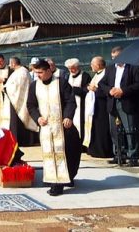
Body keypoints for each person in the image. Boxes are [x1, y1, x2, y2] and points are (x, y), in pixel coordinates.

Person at [26, 59, 81, 197]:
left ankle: (62, 181)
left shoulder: (61, 83)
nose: (38, 75)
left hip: (62, 126)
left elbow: (70, 101)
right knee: (50, 154)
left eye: (40, 72)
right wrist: (38, 118)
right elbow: (31, 105)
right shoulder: (34, 85)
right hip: (46, 127)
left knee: (66, 153)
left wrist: (68, 116)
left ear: (48, 70)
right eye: (36, 72)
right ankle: (54, 180)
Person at [97, 46, 139, 166]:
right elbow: (102, 83)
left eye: (116, 57)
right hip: (113, 102)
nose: (114, 59)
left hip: (127, 102)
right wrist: (110, 90)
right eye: (112, 57)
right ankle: (119, 154)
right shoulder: (110, 68)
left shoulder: (134, 67)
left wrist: (123, 91)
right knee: (114, 131)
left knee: (130, 130)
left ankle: (132, 156)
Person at [1, 57, 39, 147]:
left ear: (13, 63)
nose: (9, 65)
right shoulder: (18, 72)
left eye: (10, 63)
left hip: (19, 100)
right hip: (15, 100)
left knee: (21, 120)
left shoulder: (22, 72)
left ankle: (25, 141)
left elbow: (18, 87)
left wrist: (6, 88)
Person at [85, 56, 113, 158]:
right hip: (94, 105)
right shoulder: (97, 74)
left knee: (102, 128)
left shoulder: (106, 73)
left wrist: (96, 90)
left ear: (98, 65)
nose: (91, 66)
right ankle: (94, 149)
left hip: (102, 106)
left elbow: (106, 89)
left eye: (92, 64)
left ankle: (103, 151)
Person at [65, 58, 91, 144]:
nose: (71, 70)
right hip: (70, 104)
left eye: (72, 68)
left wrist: (75, 90)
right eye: (69, 68)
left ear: (77, 67)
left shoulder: (85, 76)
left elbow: (87, 90)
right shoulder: (67, 76)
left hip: (82, 105)